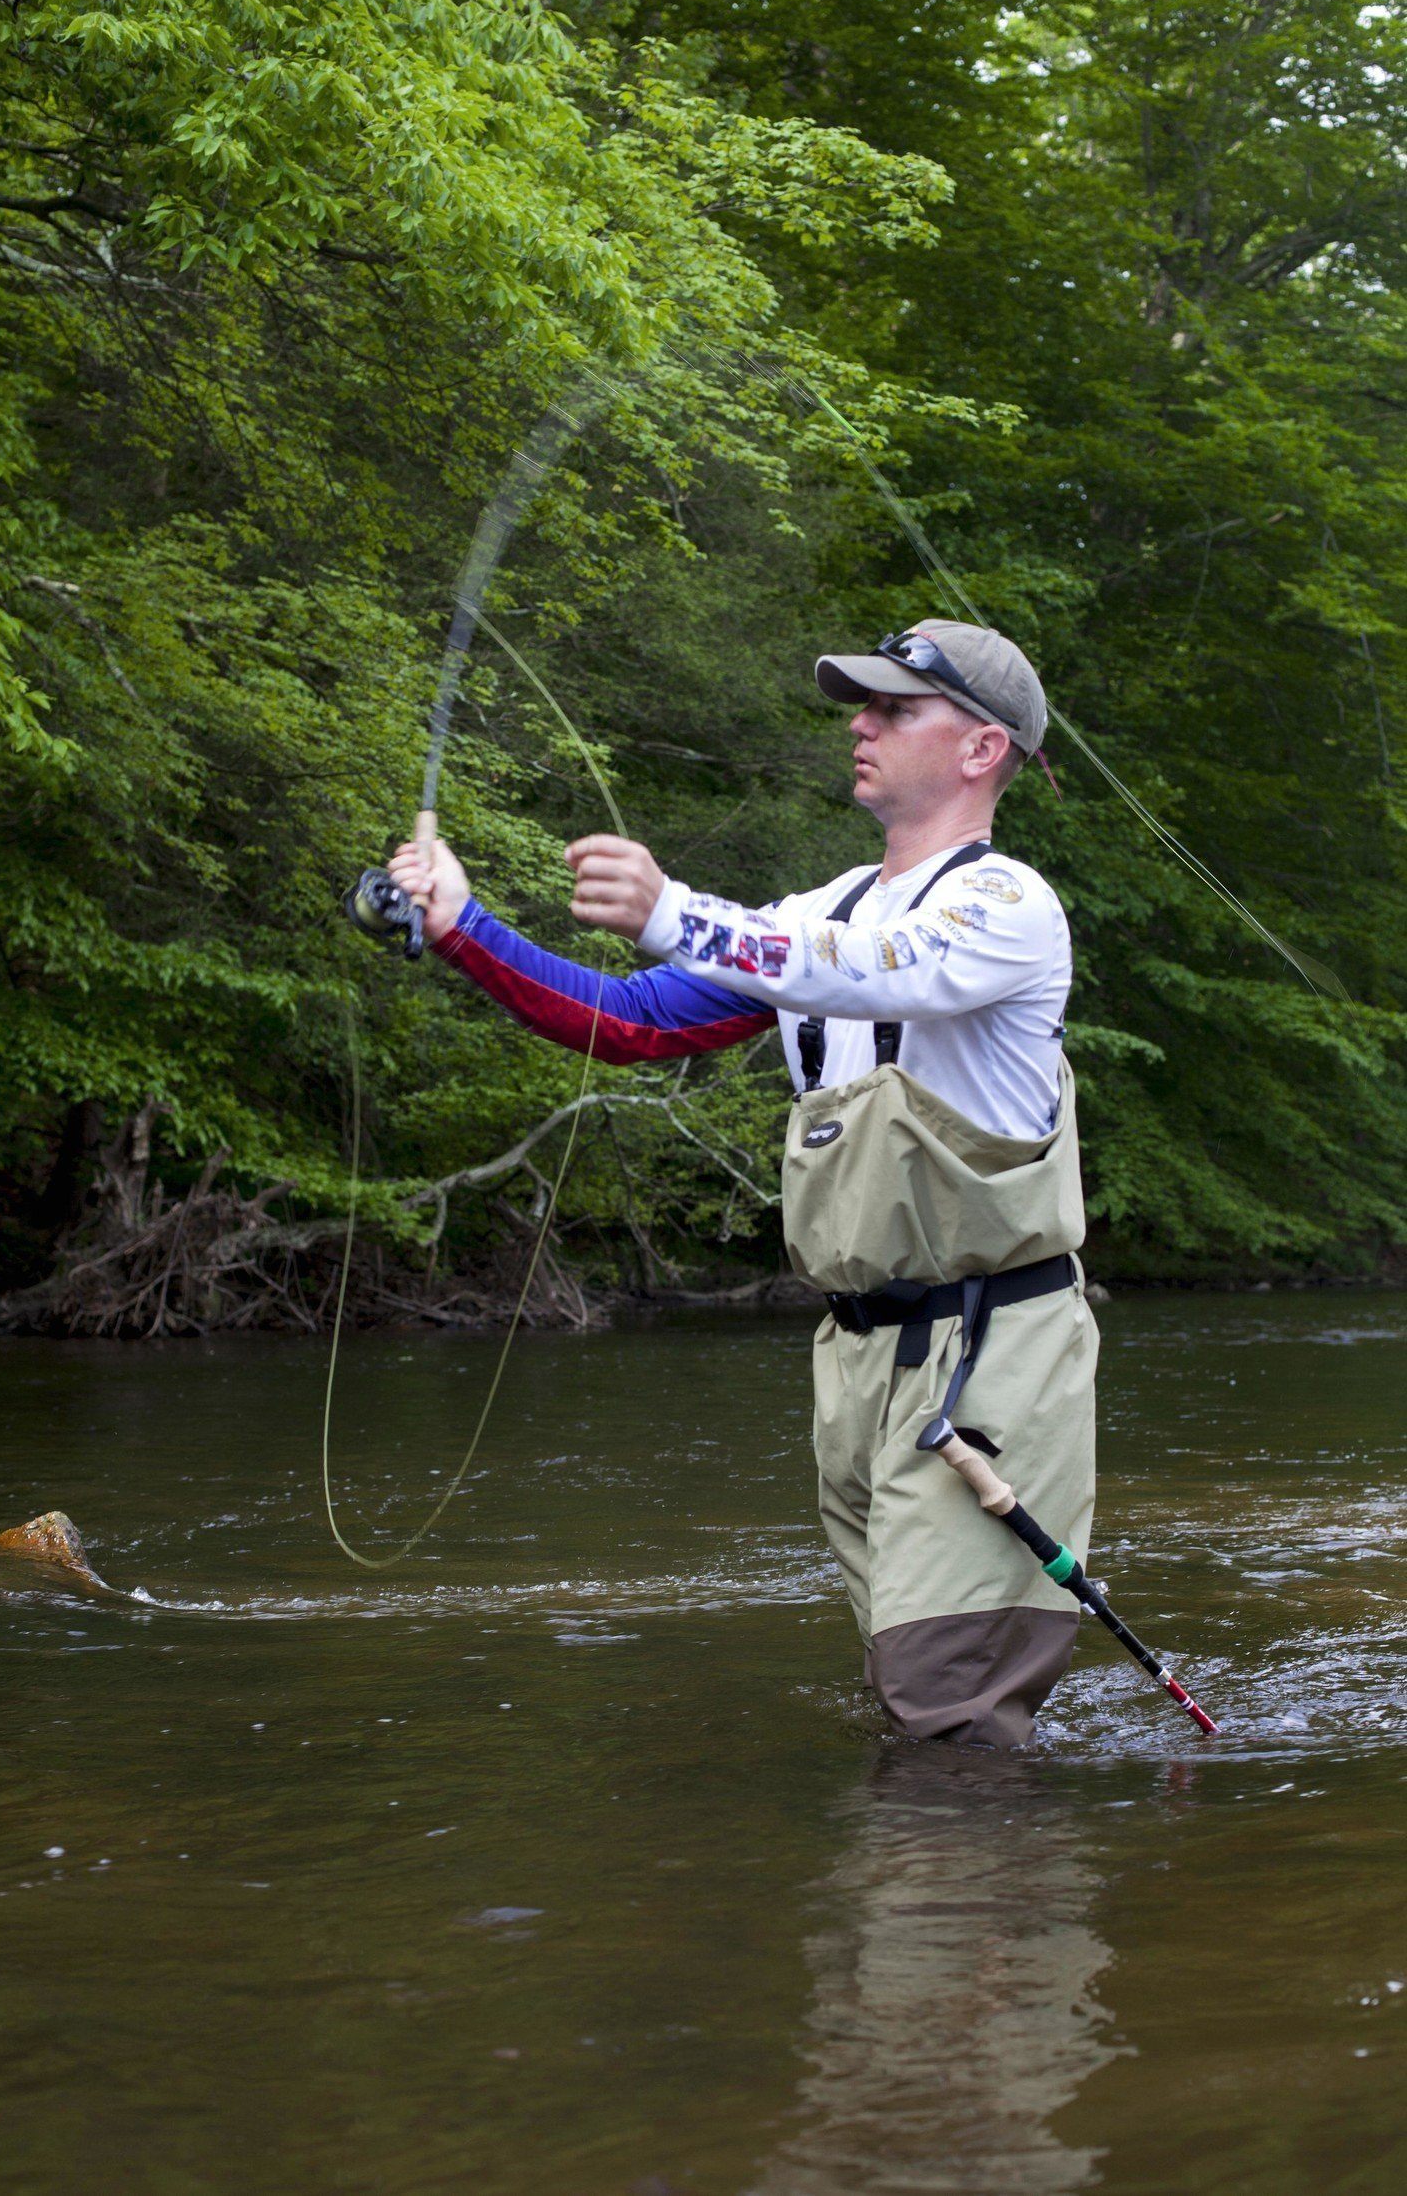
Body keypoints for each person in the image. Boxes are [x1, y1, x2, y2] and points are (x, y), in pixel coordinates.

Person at [389, 619, 1098, 1747]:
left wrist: (676, 913)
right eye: (859, 706)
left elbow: (872, 974)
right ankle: (944, 1908)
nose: (858, 725)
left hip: (989, 1358)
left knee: (948, 1705)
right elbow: (627, 1023)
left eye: (893, 708)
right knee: (912, 1695)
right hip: (858, 1359)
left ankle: (959, 1912)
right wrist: (463, 926)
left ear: (979, 748)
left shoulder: (1007, 908)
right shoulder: (817, 912)